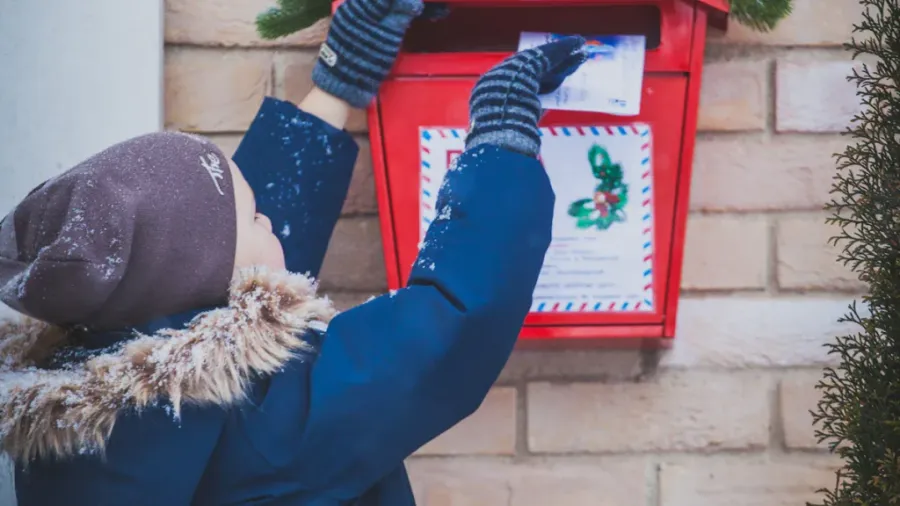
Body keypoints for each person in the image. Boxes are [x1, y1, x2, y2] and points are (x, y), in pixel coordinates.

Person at [0, 0, 587, 501]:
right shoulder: (262, 426)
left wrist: (341, 76)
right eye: (254, 216)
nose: (269, 220)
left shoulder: (94, 400)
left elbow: (225, 258)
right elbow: (447, 329)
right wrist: (502, 135)